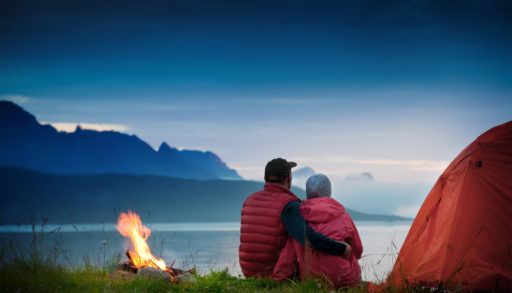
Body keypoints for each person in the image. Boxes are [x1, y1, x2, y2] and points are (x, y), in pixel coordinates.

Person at [239, 158, 351, 277]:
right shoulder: (288, 204)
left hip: (248, 272)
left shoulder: (249, 200)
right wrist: (340, 248)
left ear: (265, 178)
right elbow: (308, 237)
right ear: (288, 178)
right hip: (272, 273)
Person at [271, 173, 363, 288]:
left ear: (308, 193)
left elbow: (288, 256)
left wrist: (276, 279)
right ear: (329, 192)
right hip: (345, 278)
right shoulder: (343, 215)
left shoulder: (299, 220)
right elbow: (358, 250)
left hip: (312, 280)